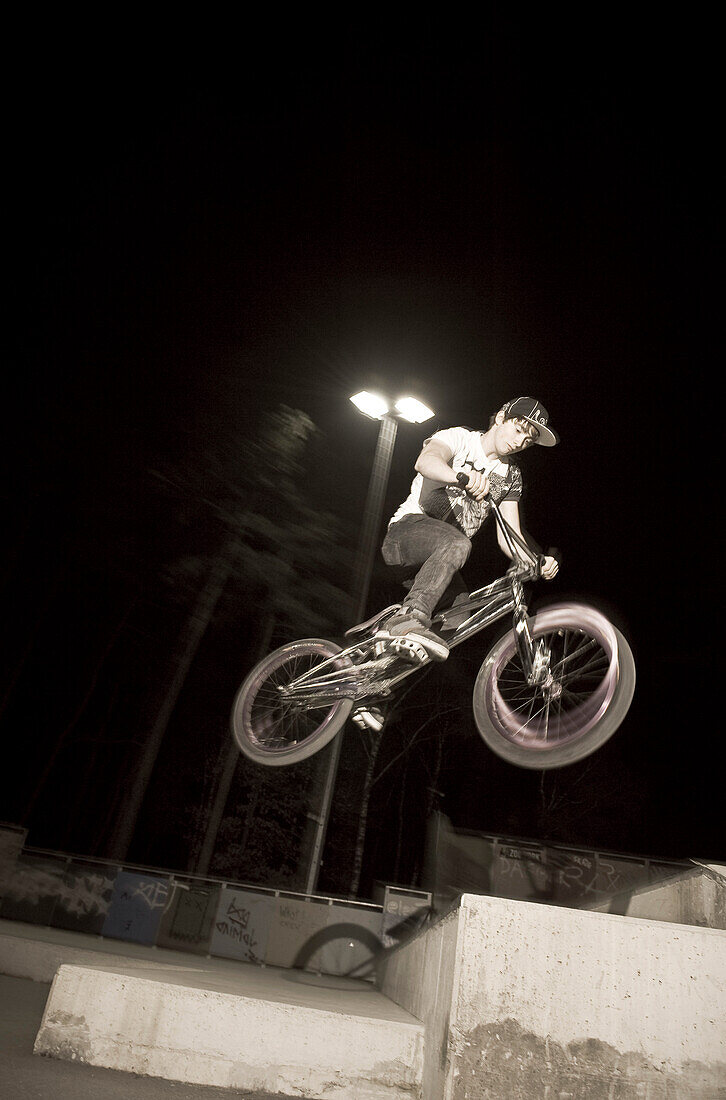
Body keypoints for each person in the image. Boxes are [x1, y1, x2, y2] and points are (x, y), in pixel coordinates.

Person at [378, 396, 560, 661]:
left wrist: (535, 561)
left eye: (528, 440)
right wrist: (460, 477)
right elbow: (425, 462)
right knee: (457, 543)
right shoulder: (459, 438)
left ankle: (378, 679)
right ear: (500, 418)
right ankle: (410, 616)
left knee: (459, 620)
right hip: (405, 535)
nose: (520, 442)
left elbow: (509, 536)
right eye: (518, 430)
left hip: (440, 563)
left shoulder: (511, 476)